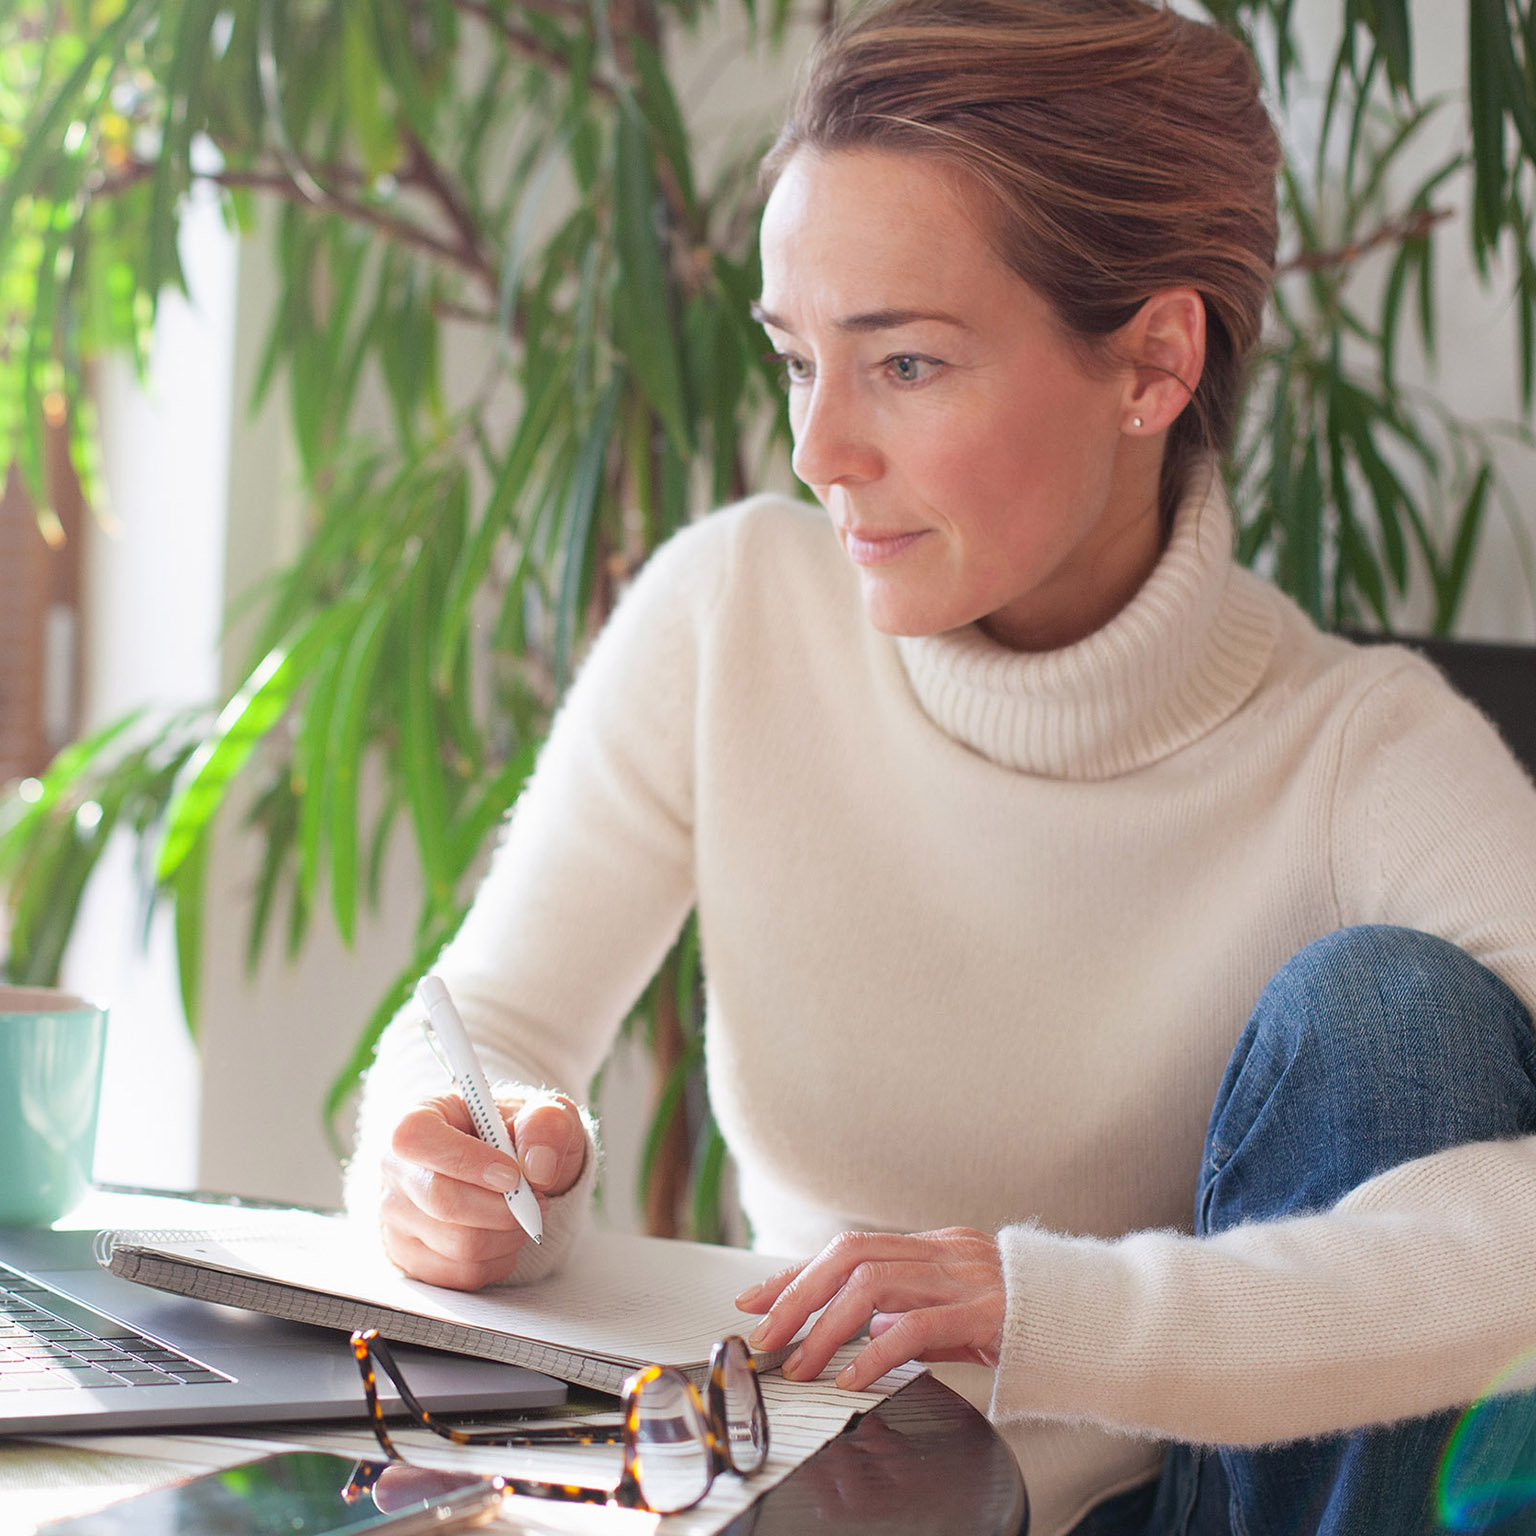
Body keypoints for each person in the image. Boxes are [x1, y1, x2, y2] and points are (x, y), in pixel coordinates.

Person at [343, 1, 1536, 1532]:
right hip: (815, 1494)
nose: (818, 450)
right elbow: (489, 1022)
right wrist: (460, 1166)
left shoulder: (1365, 750)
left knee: (1396, 1009)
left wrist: (1055, 1313)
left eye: (904, 363)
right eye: (797, 360)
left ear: (1154, 361)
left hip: (1184, 1508)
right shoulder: (732, 612)